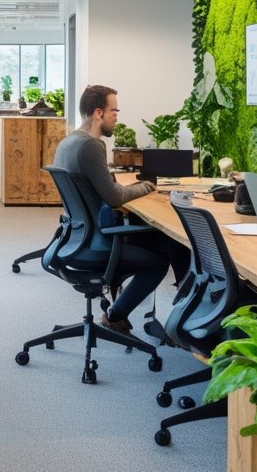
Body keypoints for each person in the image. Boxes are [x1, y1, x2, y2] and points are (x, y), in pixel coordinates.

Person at [53, 84, 190, 334]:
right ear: (98, 113)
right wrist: (147, 186)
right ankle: (117, 315)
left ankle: (185, 303)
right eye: (114, 110)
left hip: (77, 236)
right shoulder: (91, 146)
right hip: (97, 241)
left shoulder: (69, 142)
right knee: (159, 260)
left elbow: (101, 189)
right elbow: (115, 198)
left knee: (167, 239)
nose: (117, 116)